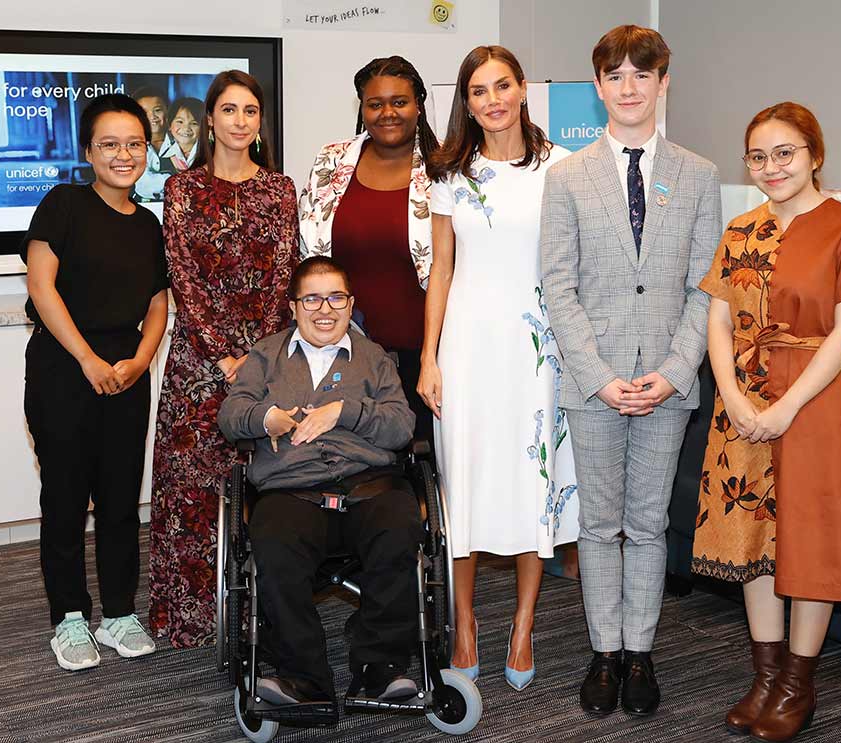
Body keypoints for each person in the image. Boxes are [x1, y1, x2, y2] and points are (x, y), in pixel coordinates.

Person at [539, 25, 721, 715]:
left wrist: (676, 371)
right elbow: (559, 285)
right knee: (599, 522)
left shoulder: (699, 175)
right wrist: (597, 372)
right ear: (599, 87)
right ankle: (604, 651)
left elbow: (706, 286)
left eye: (642, 75)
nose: (629, 88)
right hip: (594, 381)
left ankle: (640, 652)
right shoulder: (567, 177)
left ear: (663, 82)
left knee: (647, 523)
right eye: (615, 76)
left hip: (668, 382)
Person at [692, 102, 841, 742]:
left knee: (809, 539)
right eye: (758, 156)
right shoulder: (741, 229)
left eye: (785, 153)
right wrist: (737, 398)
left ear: (814, 155)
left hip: (811, 403)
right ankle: (765, 676)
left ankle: (799, 683)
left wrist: (784, 407)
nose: (771, 167)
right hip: (741, 408)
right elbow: (717, 323)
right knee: (753, 546)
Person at [418, 45, 578, 692]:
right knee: (466, 482)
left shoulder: (562, 168)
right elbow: (441, 270)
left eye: (502, 85)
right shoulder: (448, 172)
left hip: (538, 348)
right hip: (466, 345)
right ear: (467, 100)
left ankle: (522, 622)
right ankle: (464, 623)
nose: (493, 99)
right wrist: (429, 356)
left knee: (529, 484)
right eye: (479, 90)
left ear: (521, 89)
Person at [217, 256, 421, 706]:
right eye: (311, 298)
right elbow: (230, 416)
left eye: (335, 297)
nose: (323, 308)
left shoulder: (375, 358)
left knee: (400, 523)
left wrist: (344, 412)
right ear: (293, 306)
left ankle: (381, 668)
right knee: (273, 541)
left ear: (351, 305)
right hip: (293, 490)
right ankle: (302, 677)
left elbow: (401, 426)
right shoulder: (265, 356)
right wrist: (263, 417)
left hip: (369, 484)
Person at [149, 70, 298, 648]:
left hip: (264, 363)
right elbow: (182, 277)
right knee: (189, 489)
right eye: (229, 110)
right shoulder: (180, 189)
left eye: (251, 111)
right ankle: (186, 615)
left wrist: (254, 357)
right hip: (195, 362)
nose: (240, 120)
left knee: (260, 486)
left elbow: (282, 274)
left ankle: (258, 610)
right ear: (209, 119)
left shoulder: (279, 190)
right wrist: (221, 354)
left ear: (260, 123)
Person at [21, 93, 169, 671]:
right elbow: (42, 287)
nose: (123, 154)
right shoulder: (64, 204)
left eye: (134, 143)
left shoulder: (150, 223)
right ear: (88, 152)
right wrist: (86, 358)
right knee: (64, 497)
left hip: (127, 370)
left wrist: (140, 358)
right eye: (109, 144)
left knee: (118, 498)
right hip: (64, 366)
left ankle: (120, 613)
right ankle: (69, 618)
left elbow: (159, 302)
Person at [298, 56, 438, 442]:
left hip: (424, 354)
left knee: (419, 468)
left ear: (419, 104)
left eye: (399, 101)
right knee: (346, 463)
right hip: (342, 351)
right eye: (375, 104)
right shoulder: (331, 161)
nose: (387, 113)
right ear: (361, 108)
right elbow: (308, 252)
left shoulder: (445, 167)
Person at [133, 86, 173, 201]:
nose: (152, 117)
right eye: (144, 112)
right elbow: (144, 185)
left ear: (168, 110)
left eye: (157, 110)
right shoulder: (131, 146)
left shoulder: (181, 140)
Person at [161, 96, 202, 172]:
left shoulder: (211, 154)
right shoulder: (161, 155)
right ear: (170, 125)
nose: (186, 128)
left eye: (194, 123)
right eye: (180, 122)